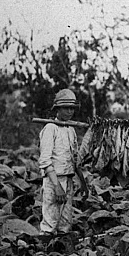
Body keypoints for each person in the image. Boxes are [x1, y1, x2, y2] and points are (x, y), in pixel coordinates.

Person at [38, 88, 80, 237]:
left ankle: (63, 254)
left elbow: (74, 158)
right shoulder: (50, 128)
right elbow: (44, 161)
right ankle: (44, 255)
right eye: (66, 108)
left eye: (72, 108)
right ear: (57, 109)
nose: (69, 111)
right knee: (50, 221)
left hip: (68, 178)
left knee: (65, 221)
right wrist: (57, 186)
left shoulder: (71, 129)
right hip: (53, 179)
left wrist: (83, 183)